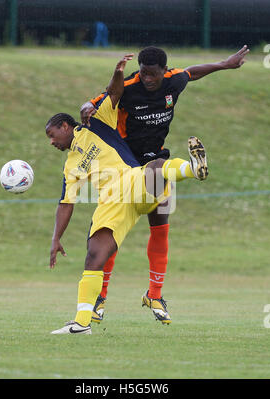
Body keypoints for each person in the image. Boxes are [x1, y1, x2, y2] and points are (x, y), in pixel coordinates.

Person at [80, 45, 249, 325]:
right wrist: (88, 104)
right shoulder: (130, 85)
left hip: (155, 159)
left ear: (163, 72)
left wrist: (225, 64)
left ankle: (154, 295)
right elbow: (103, 98)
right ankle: (99, 299)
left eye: (153, 75)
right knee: (109, 236)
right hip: (123, 165)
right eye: (144, 73)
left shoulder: (174, 80)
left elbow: (192, 73)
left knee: (160, 225)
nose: (148, 79)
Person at [46, 54, 208, 335]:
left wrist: (118, 72)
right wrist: (56, 238)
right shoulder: (70, 166)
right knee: (94, 255)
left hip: (133, 181)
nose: (52, 143)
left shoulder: (98, 123)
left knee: (156, 167)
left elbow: (115, 92)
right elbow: (66, 203)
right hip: (112, 203)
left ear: (65, 126)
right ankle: (82, 322)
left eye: (52, 135)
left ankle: (194, 169)